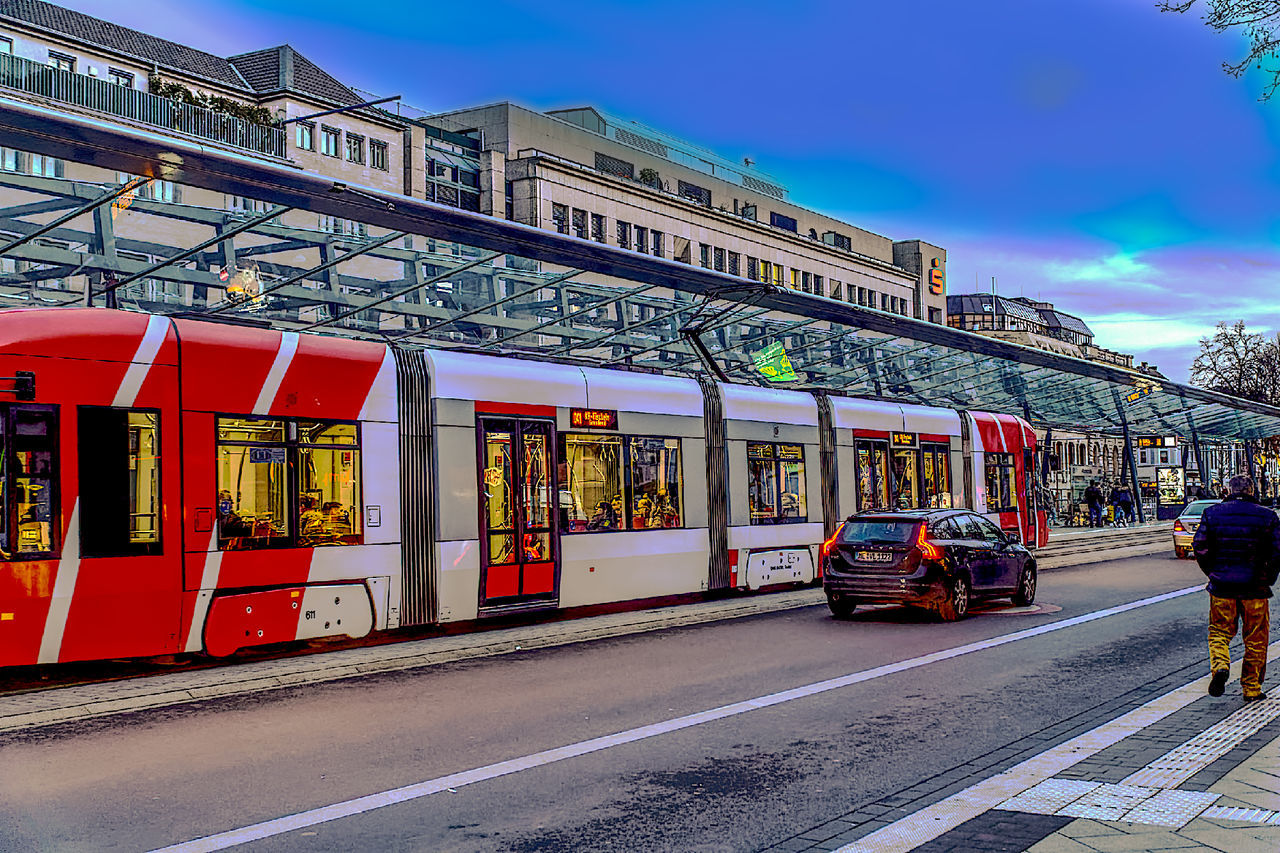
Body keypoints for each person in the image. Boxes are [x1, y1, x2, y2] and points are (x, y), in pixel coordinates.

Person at [1193, 474, 1280, 702]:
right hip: (1255, 589)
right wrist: (1267, 577)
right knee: (1256, 639)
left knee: (1219, 632)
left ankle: (1221, 665)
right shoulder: (1267, 516)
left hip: (1222, 587)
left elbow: (1199, 546)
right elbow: (1278, 552)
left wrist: (1213, 573)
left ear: (1227, 490)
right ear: (1252, 490)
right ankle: (1251, 688)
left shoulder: (1212, 514)